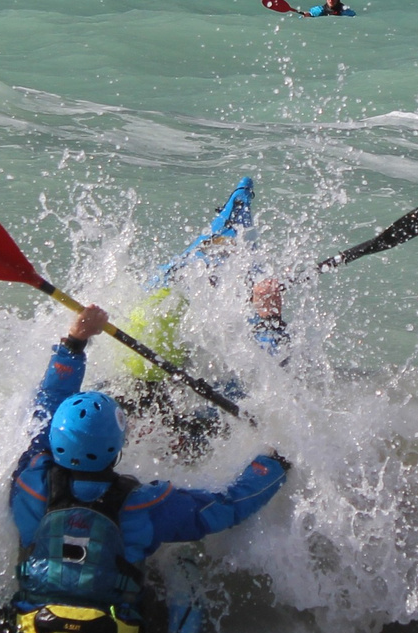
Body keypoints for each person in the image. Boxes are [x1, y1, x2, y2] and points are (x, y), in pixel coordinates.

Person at [6, 303, 287, 633]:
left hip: (34, 628)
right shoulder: (144, 504)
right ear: (117, 446)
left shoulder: (28, 483)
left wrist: (74, 343)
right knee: (149, 575)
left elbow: (47, 405)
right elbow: (226, 508)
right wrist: (274, 465)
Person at [107, 177, 288, 459]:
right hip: (168, 346)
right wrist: (270, 317)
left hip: (165, 309)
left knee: (188, 271)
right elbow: (274, 367)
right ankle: (232, 223)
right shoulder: (201, 428)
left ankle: (228, 226)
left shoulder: (116, 405)